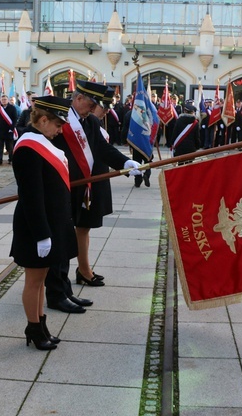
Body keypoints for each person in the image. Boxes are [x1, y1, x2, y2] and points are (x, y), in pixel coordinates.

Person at [48, 80, 141, 313]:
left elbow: (102, 149)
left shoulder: (88, 121)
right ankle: (56, 293)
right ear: (78, 99)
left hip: (81, 188)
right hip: (60, 188)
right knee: (60, 241)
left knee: (69, 239)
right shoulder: (58, 117)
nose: (94, 109)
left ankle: (65, 289)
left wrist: (125, 162)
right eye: (91, 104)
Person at [10, 95, 76, 350]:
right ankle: (34, 328)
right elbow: (31, 196)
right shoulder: (28, 147)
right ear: (44, 120)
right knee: (34, 281)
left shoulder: (42, 141)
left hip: (50, 223)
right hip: (36, 225)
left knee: (43, 278)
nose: (60, 131)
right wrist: (41, 234)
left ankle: (40, 324)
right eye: (58, 125)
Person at [0, 94, 17, 165]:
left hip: (9, 131)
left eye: (5, 99)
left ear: (8, 100)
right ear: (0, 100)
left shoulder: (12, 108)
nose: (4, 101)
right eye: (2, 100)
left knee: (10, 147)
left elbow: (15, 119)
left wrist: (12, 128)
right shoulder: (0, 108)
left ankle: (11, 159)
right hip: (1, 131)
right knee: (0, 147)